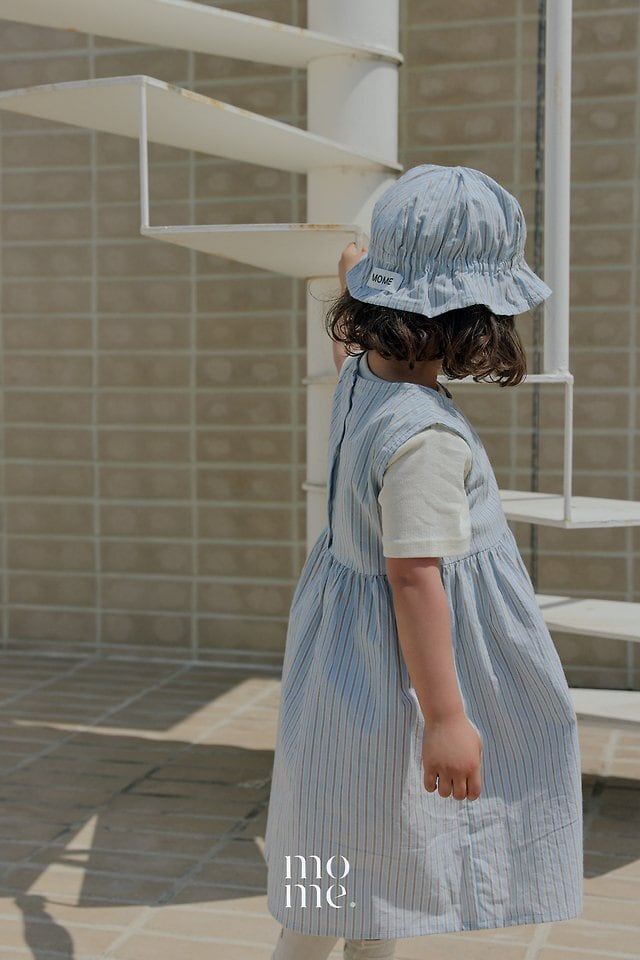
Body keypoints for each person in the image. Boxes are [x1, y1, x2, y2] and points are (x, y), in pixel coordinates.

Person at [264, 164, 584, 960]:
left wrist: (357, 270)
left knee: (345, 834)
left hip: (343, 665)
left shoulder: (359, 382)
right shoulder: (426, 439)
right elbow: (414, 577)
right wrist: (446, 718)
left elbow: (346, 333)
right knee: (368, 852)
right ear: (476, 320)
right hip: (407, 677)